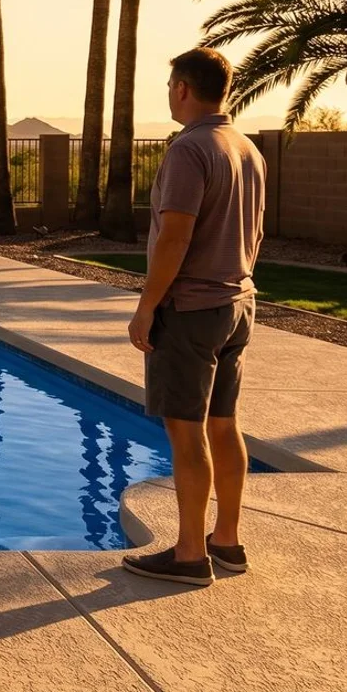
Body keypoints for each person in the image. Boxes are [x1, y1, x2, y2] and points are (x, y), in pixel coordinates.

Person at [121, 47, 267, 587]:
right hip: (237, 303)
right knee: (224, 424)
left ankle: (188, 554)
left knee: (187, 433)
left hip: (191, 308)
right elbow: (253, 231)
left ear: (183, 88)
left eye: (169, 86)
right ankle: (225, 542)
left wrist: (147, 306)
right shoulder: (246, 148)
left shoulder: (190, 149)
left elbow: (175, 236)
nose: (168, 95)